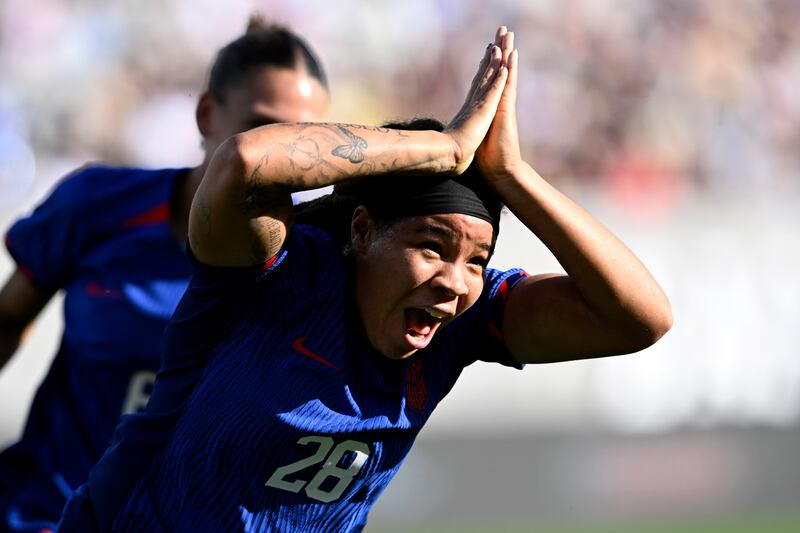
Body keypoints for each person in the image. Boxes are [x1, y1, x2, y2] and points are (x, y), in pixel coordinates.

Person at [58, 26, 672, 532]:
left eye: (476, 260)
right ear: (361, 230)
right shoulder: (273, 274)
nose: (454, 282)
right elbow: (244, 162)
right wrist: (447, 148)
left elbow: (642, 319)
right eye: (431, 246)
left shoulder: (462, 326)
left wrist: (513, 174)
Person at [0, 17, 329, 533]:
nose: (278, 159)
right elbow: (8, 317)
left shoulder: (317, 266)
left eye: (302, 142)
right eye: (261, 130)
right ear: (206, 114)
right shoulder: (99, 204)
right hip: (47, 514)